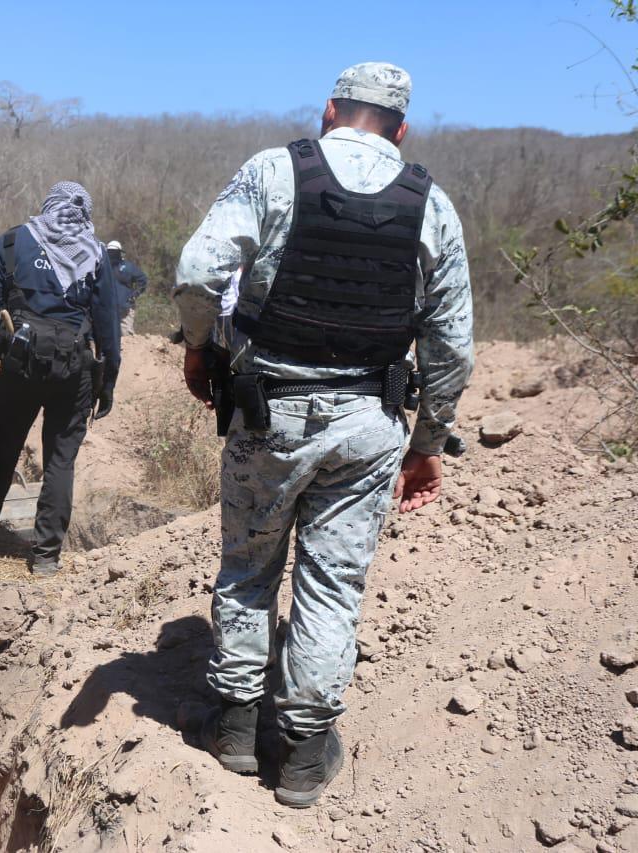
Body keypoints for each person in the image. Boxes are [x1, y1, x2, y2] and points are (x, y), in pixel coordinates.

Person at [173, 62, 473, 808]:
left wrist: (197, 346)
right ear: (402, 130)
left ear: (329, 112)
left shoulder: (275, 171)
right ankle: (304, 753)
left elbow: (198, 270)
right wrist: (427, 443)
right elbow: (452, 345)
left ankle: (237, 726)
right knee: (331, 584)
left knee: (248, 568)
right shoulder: (429, 204)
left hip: (268, 414)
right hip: (369, 424)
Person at [0, 182, 122, 576]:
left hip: (20, 366)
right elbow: (108, 327)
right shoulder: (95, 253)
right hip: (74, 370)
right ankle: (45, 557)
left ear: (49, 205)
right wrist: (108, 380)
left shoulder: (13, 243)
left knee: (4, 451)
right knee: (60, 462)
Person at [106, 240, 149, 335]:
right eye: (110, 252)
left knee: (126, 334)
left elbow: (143, 280)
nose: (112, 254)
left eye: (114, 252)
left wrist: (134, 295)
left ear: (119, 253)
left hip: (125, 307)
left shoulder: (128, 267)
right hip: (108, 309)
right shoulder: (102, 267)